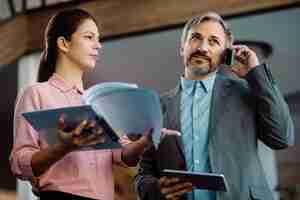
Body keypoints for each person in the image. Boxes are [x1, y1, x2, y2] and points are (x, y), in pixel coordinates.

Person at [135, 12, 294, 200]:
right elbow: (144, 173)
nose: (203, 48)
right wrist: (155, 189)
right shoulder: (156, 106)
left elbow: (282, 137)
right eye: (195, 38)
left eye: (213, 42)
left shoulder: (247, 92)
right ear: (182, 47)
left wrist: (256, 74)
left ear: (224, 55)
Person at [10, 9, 153, 200]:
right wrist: (62, 147)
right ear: (63, 44)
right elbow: (19, 163)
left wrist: (145, 141)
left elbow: (124, 155)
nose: (98, 45)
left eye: (98, 38)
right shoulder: (36, 94)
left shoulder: (101, 104)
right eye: (89, 37)